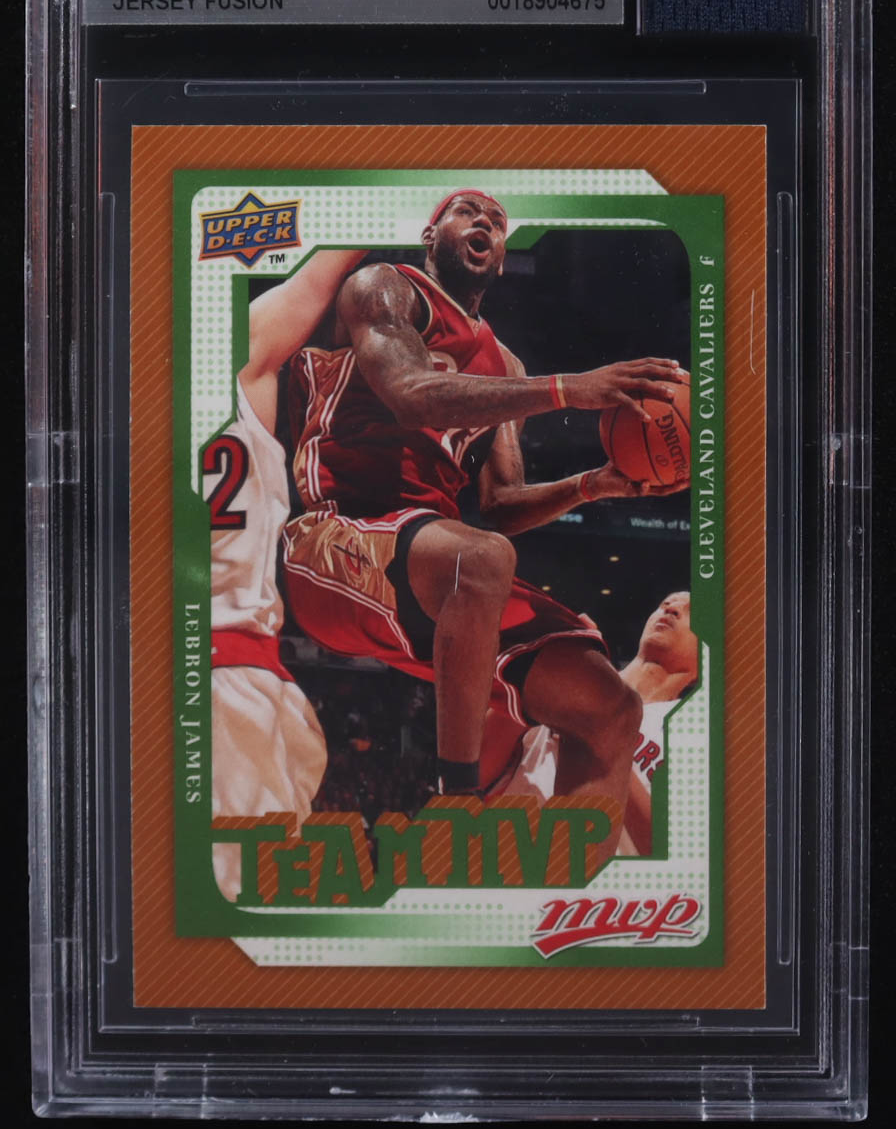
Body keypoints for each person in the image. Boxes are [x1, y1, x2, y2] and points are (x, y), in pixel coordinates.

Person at [281, 189, 686, 850]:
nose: (486, 224)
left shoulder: (507, 366)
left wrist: (593, 484)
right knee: (481, 559)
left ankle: (568, 886)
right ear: (431, 233)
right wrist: (569, 389)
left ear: (500, 258)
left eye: (497, 222)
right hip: (334, 537)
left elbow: (500, 507)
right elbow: (410, 395)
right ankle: (458, 804)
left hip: (430, 568)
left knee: (610, 705)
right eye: (468, 211)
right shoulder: (385, 288)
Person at [204, 250, 363, 900]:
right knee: (236, 914)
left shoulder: (84, 418)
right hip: (229, 680)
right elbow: (327, 266)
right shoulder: (236, 359)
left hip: (207, 677)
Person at [492, 592, 699, 858]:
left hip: (597, 877)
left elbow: (676, 851)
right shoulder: (567, 681)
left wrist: (602, 736)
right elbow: (478, 775)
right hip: (510, 859)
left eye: (691, 611)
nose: (671, 609)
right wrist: (545, 660)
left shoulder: (697, 732)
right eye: (665, 604)